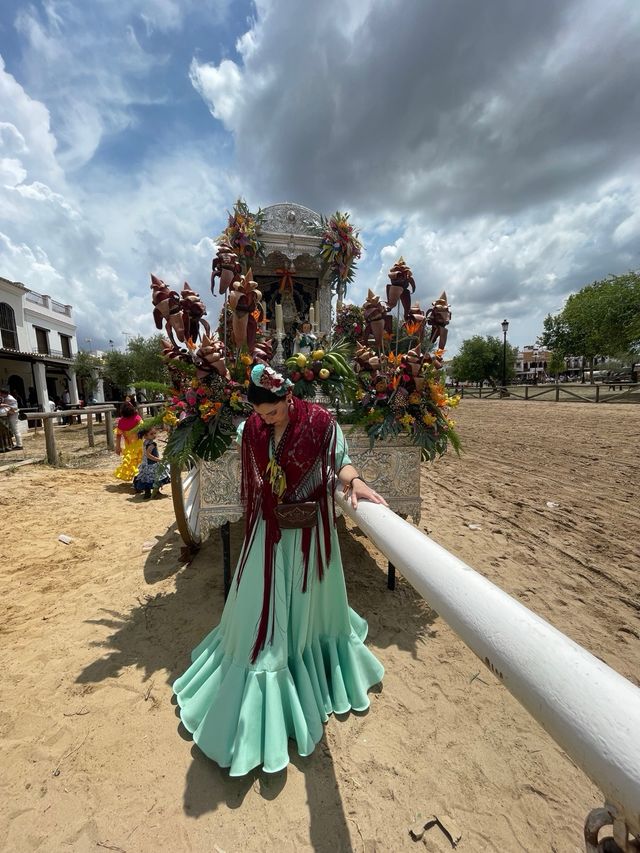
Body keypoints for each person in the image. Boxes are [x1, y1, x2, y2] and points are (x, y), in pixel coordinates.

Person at [173, 364, 387, 776]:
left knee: (306, 604)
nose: (266, 420)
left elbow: (340, 460)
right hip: (268, 529)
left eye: (272, 412)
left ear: (288, 396)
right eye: (260, 414)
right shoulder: (250, 430)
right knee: (256, 609)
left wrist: (353, 480)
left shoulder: (322, 422)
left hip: (309, 529)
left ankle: (302, 665)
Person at [132, 425, 169, 499]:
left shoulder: (145, 442)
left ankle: (147, 493)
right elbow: (148, 455)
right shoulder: (152, 444)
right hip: (152, 464)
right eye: (151, 434)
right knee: (156, 477)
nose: (154, 435)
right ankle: (156, 492)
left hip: (145, 463)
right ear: (145, 436)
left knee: (146, 478)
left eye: (155, 433)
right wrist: (158, 460)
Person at [113, 401, 143, 481]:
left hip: (129, 448)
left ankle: (137, 479)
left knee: (131, 464)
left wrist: (118, 447)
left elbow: (118, 435)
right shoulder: (137, 418)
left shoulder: (121, 421)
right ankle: (139, 479)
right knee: (140, 463)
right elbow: (143, 430)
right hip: (140, 446)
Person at [0, 386, 23, 451]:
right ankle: (18, 444)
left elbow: (15, 408)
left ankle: (19, 445)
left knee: (15, 429)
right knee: (13, 430)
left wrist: (6, 408)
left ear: (4, 393)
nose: (0, 395)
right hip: (10, 415)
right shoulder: (6, 398)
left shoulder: (10, 398)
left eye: (1, 393)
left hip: (13, 415)